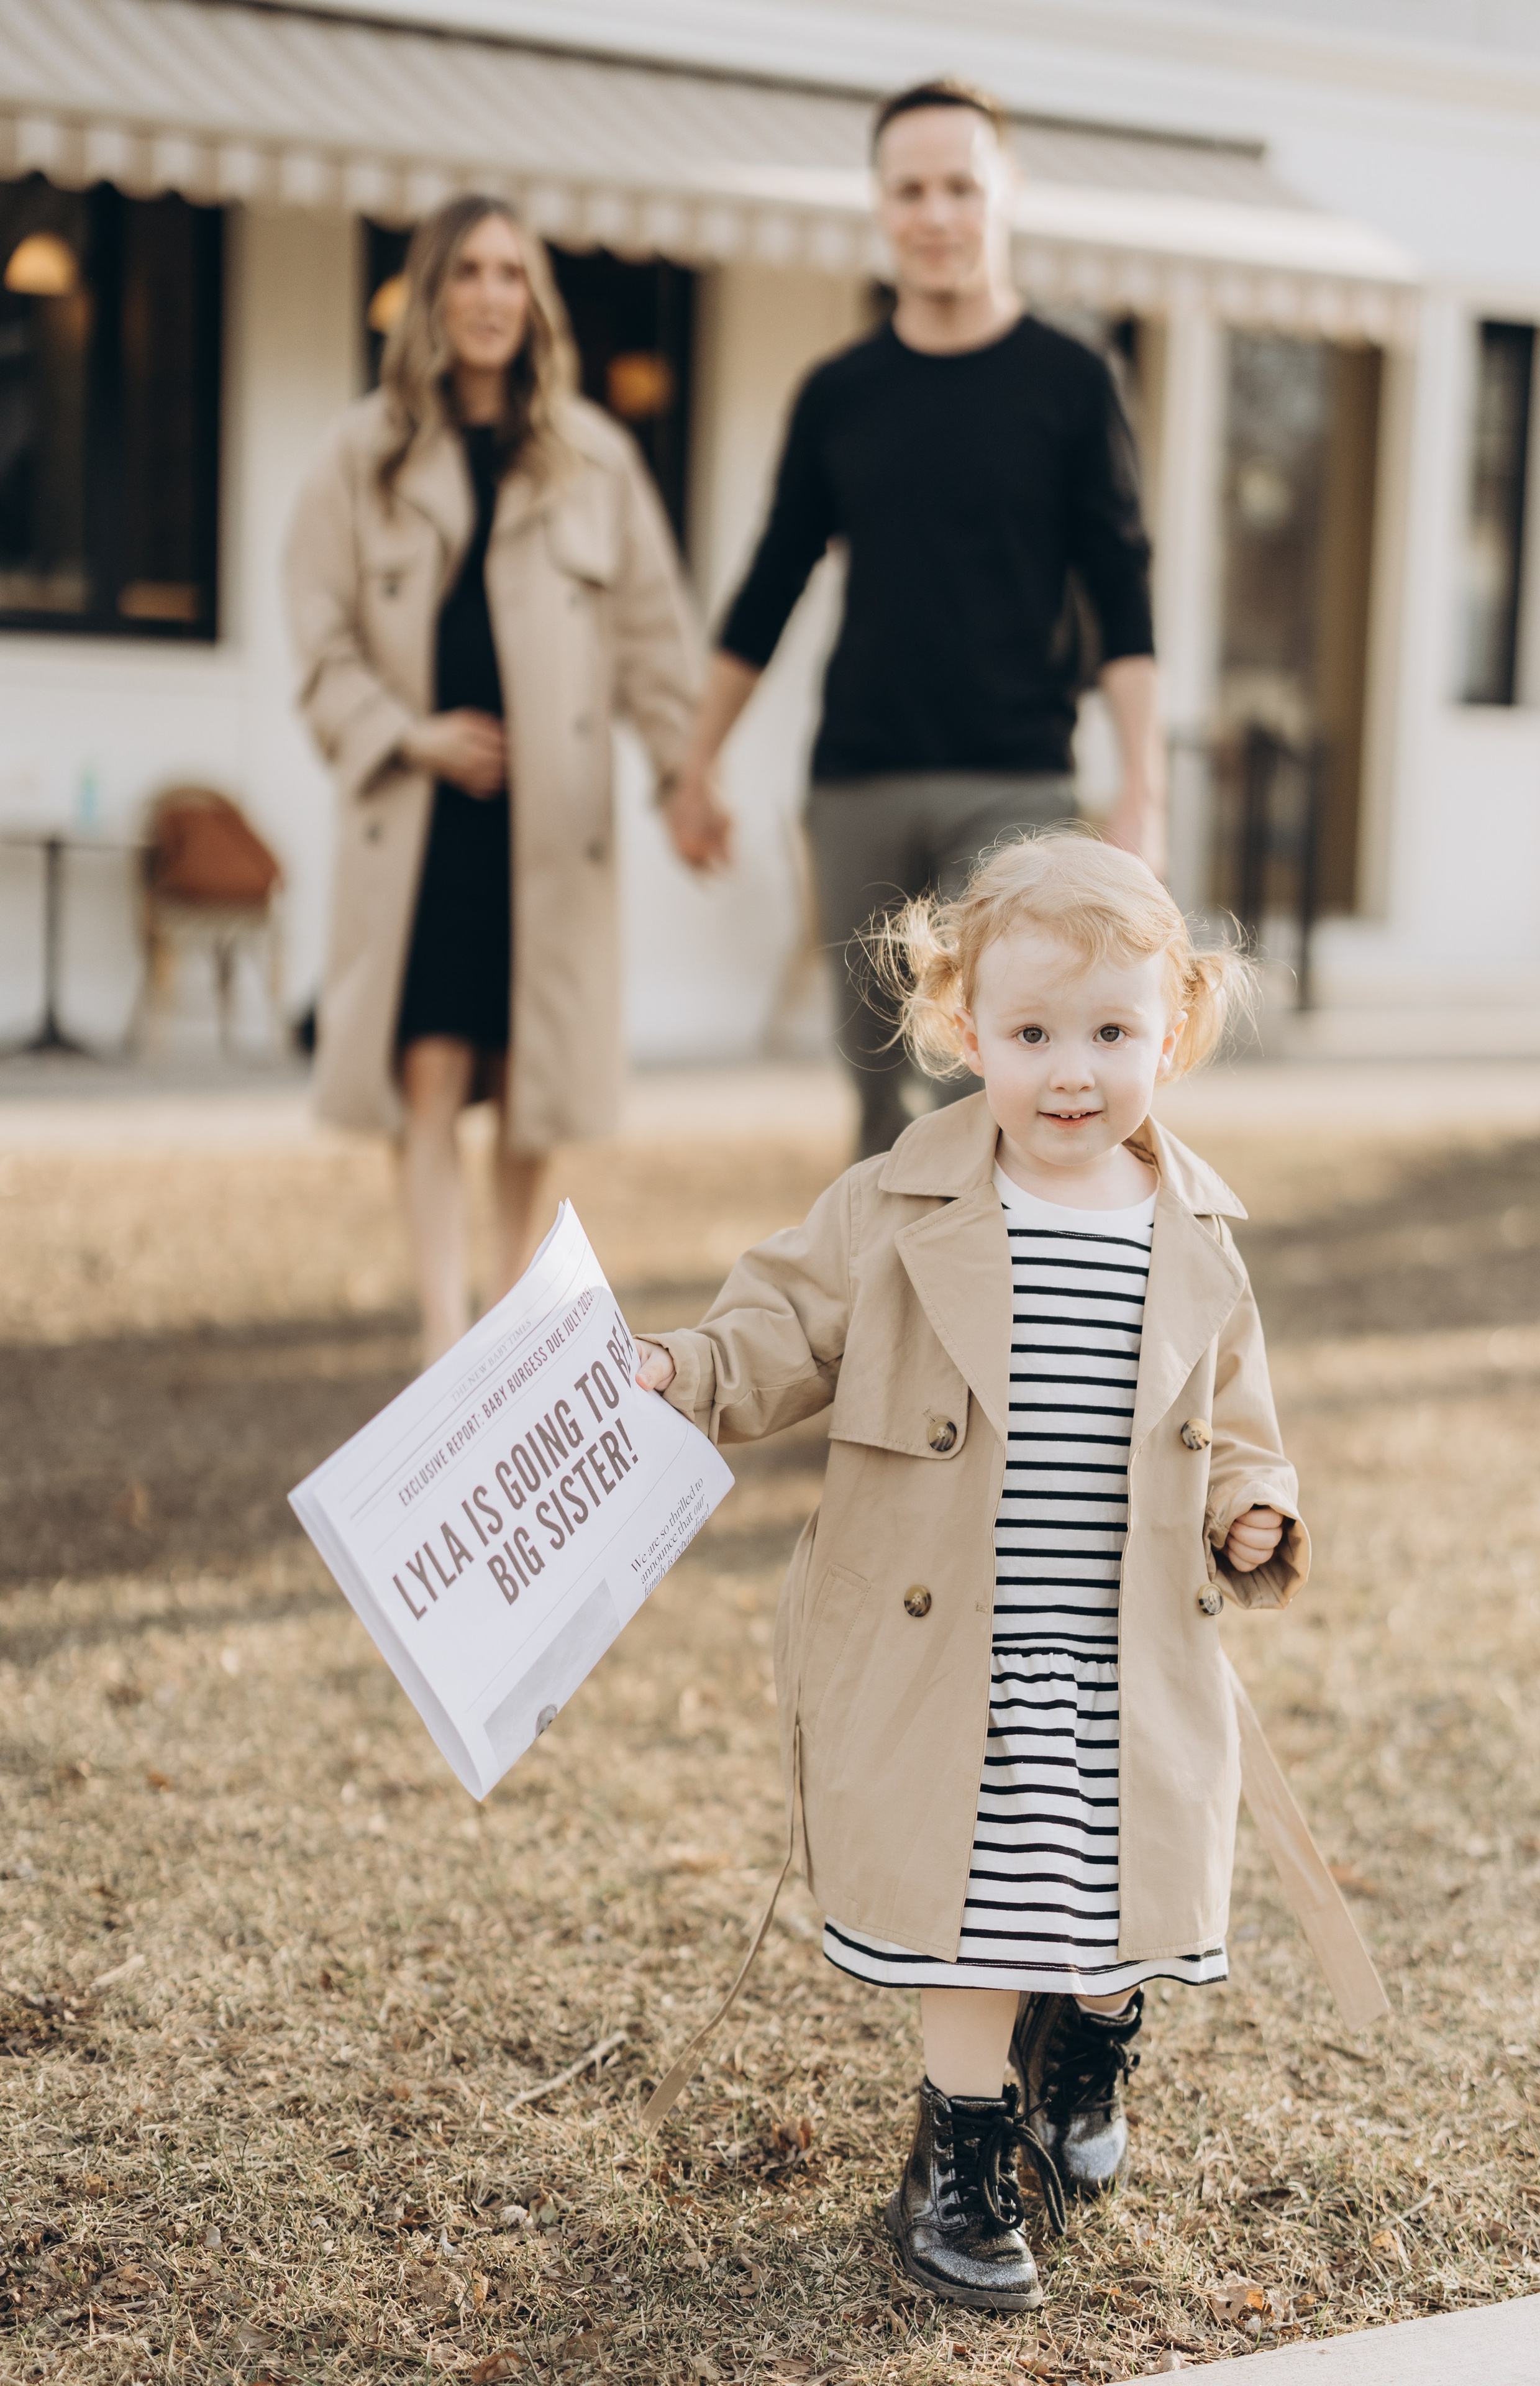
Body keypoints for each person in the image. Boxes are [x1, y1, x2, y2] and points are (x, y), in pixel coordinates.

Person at [634, 836, 1307, 2311]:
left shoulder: (1192, 1237)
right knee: (978, 1903)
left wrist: (1253, 1512)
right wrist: (684, 1366)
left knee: (1112, 1898)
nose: (1072, 1072)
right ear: (962, 1030)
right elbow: (780, 1328)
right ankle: (959, 2145)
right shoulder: (897, 1205)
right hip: (957, 1651)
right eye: (1030, 1035)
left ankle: (1086, 2048)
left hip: (1121, 1652)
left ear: (1172, 1034)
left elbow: (1240, 1428)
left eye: (1111, 1034)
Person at [663, 78, 1165, 1159]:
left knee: (995, 1079)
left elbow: (1123, 588)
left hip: (1016, 780)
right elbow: (769, 585)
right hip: (859, 780)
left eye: (960, 187)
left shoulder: (1072, 384)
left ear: (1007, 193)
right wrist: (695, 762)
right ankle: (884, 1312)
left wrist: (1143, 789)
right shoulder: (839, 394)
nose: (936, 215)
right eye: (910, 191)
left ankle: (992, 1317)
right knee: (876, 1090)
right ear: (881, 205)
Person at [285, 196, 699, 1364]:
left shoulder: (595, 460)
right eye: (465, 271)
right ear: (430, 295)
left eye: (511, 273)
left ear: (535, 300)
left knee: (531, 1080)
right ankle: (438, 1336)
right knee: (427, 1067)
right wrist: (409, 736)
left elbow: (655, 647)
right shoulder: (357, 457)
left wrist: (683, 779)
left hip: (547, 824)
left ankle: (512, 1334)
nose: (488, 294)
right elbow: (316, 639)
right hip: (419, 823)